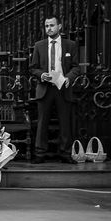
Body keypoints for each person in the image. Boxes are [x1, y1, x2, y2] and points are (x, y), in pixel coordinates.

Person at [29, 16, 80, 164]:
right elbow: (33, 68)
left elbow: (76, 67)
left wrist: (68, 78)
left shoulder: (70, 45)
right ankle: (39, 153)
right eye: (46, 26)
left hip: (63, 87)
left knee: (65, 121)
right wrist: (41, 74)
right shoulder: (39, 45)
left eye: (52, 25)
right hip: (45, 87)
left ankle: (65, 153)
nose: (49, 28)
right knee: (42, 122)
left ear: (59, 26)